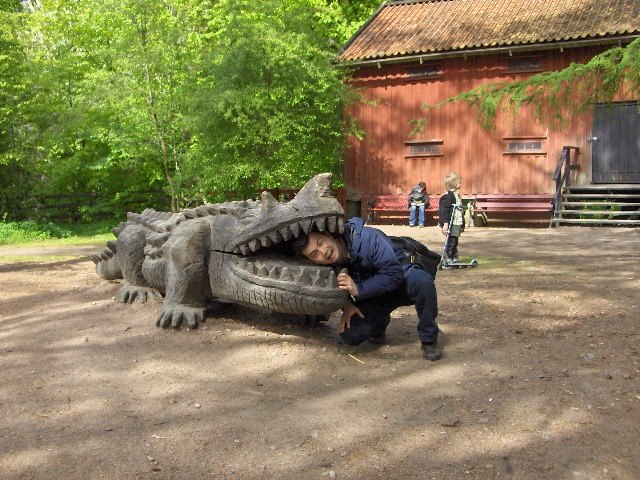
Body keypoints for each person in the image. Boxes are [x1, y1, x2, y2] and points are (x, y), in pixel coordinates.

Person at [293, 216, 442, 361]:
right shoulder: (325, 267)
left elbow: (394, 274)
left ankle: (429, 339)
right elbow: (333, 290)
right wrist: (347, 305)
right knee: (350, 335)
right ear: (311, 261)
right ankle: (380, 322)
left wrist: (359, 289)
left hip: (403, 281)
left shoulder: (368, 238)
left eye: (321, 242)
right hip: (375, 296)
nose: (323, 251)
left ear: (328, 235)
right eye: (315, 254)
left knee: (422, 281)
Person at [438, 172, 465, 264]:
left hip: (457, 221)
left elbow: (460, 210)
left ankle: (454, 255)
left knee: (455, 240)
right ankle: (449, 256)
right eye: (459, 182)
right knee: (451, 240)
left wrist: (462, 224)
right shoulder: (448, 196)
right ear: (454, 184)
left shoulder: (457, 195)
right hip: (451, 222)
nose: (460, 184)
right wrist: (445, 224)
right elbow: (444, 211)